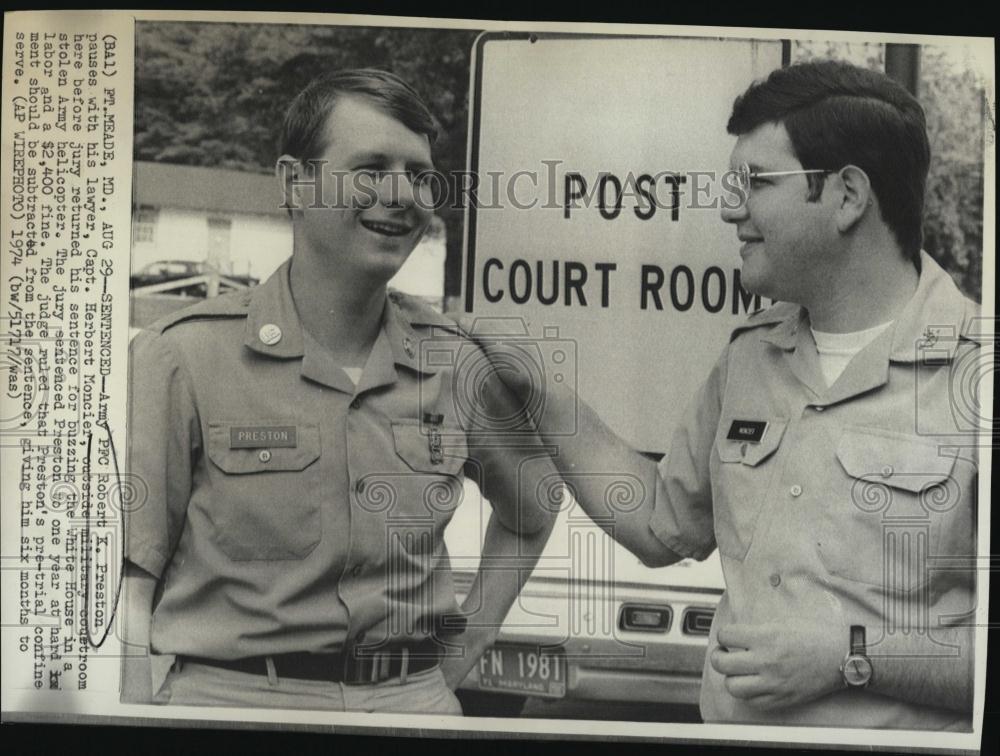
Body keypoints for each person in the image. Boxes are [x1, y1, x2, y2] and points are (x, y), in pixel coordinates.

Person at [469, 60, 980, 729]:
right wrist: (542, 392)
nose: (728, 207)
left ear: (848, 197)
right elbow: (658, 521)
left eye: (758, 182)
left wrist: (849, 655)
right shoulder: (749, 356)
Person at [122, 68, 556, 713]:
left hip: (413, 706)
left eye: (417, 174)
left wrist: (457, 655)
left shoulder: (457, 361)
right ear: (295, 184)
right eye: (372, 168)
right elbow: (129, 582)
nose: (402, 194)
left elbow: (532, 508)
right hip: (232, 705)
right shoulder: (184, 353)